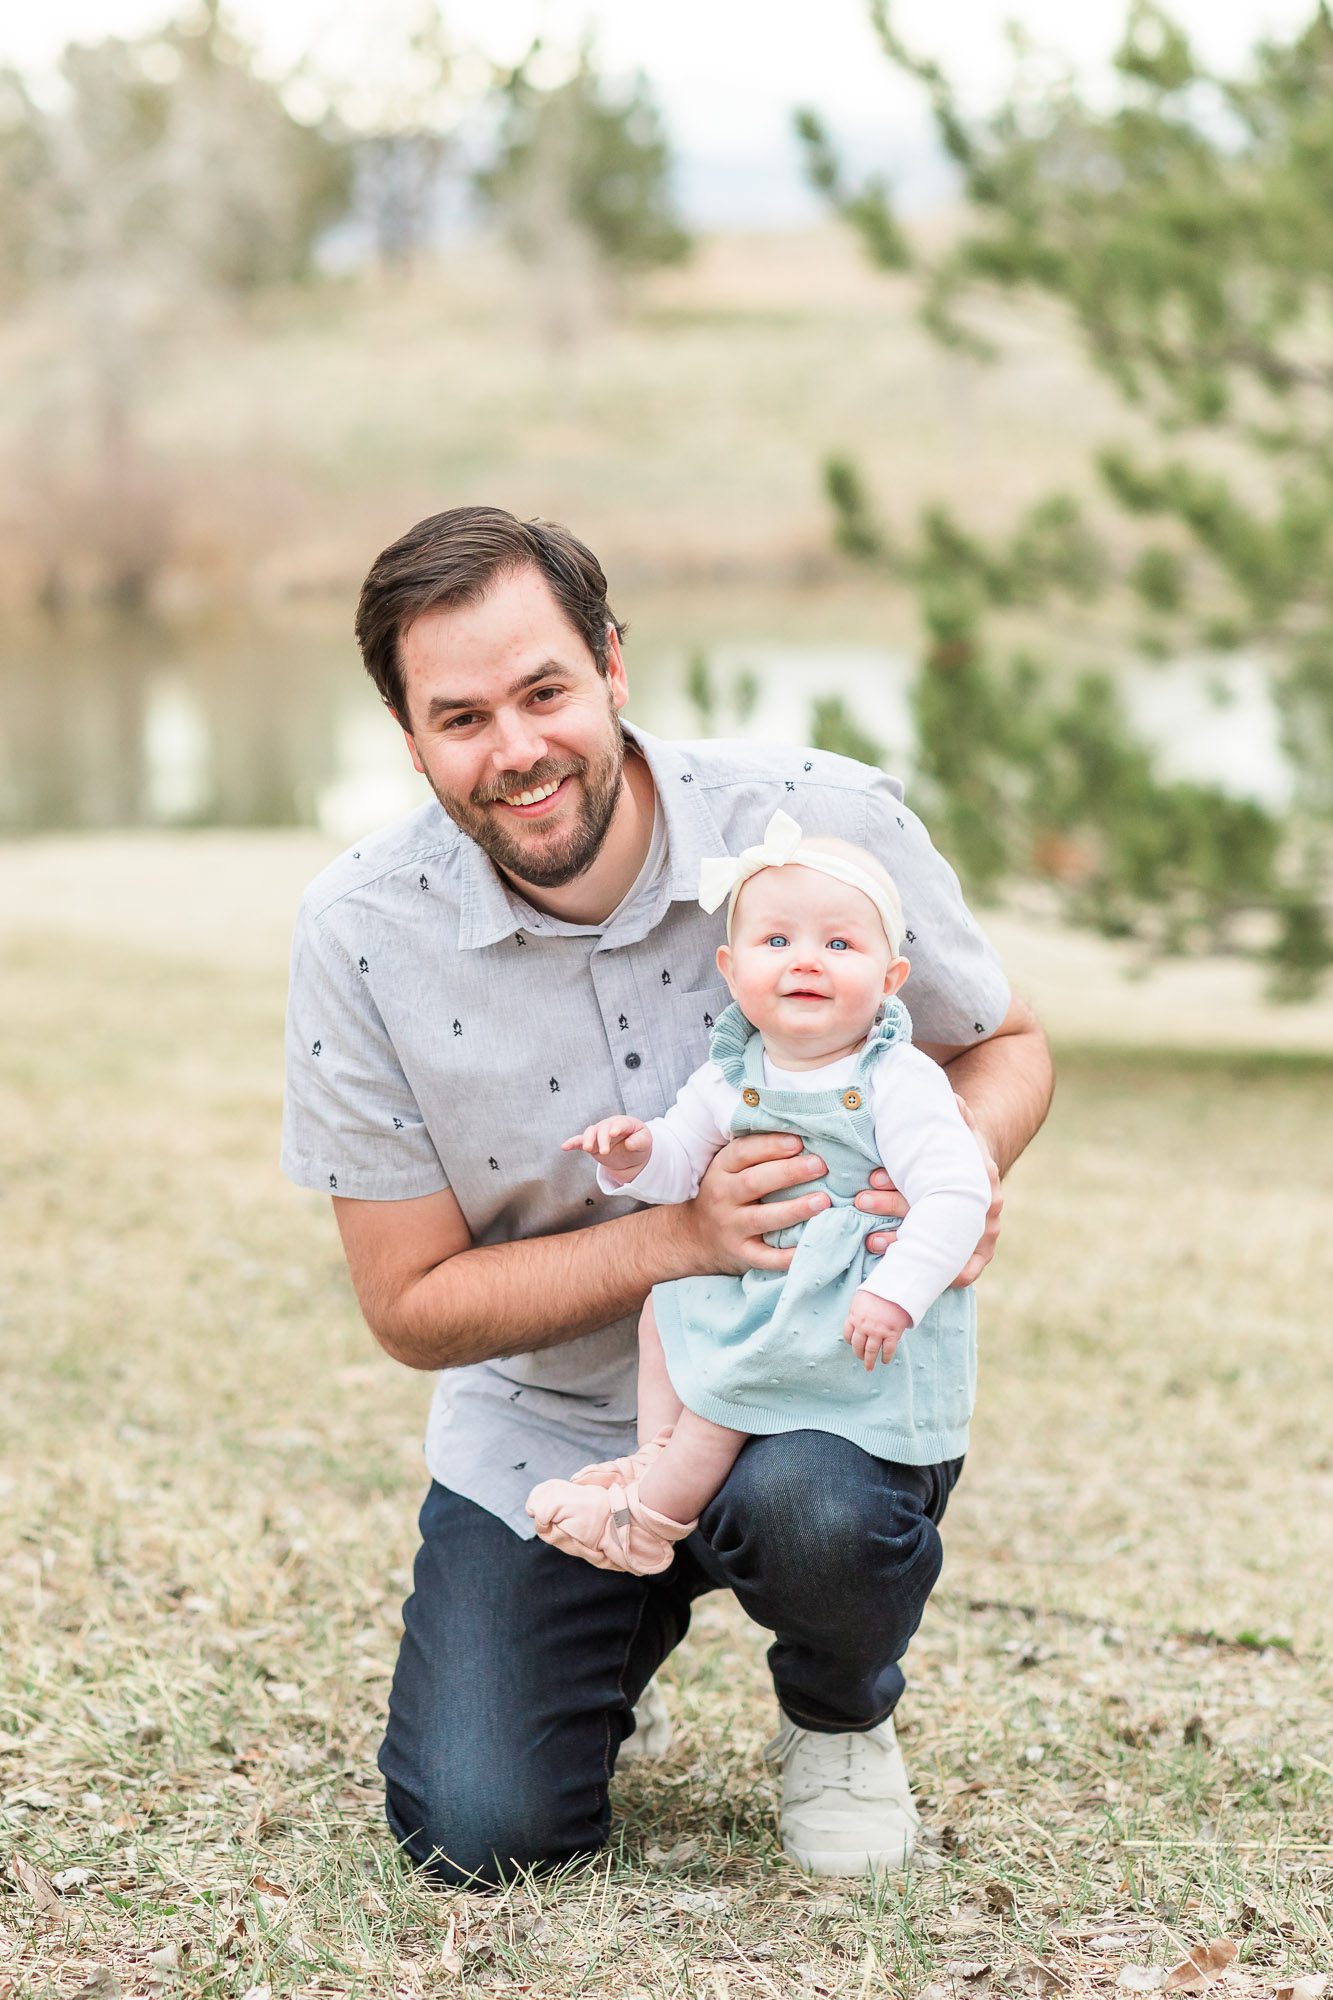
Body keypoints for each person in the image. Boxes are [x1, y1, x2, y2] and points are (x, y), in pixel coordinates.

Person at [281, 504, 1053, 1886]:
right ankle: (601, 1616)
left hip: (816, 1380)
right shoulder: (361, 939)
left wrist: (965, 1166)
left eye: (543, 692)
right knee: (484, 1836)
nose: (514, 750)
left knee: (819, 1511)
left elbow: (1003, 1042)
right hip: (553, 1426)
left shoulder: (822, 819)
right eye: (460, 718)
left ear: (613, 667)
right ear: (409, 739)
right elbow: (407, 1306)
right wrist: (676, 1237)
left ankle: (834, 1709)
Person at [527, 812, 991, 1582]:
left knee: (728, 1388)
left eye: (838, 945)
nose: (805, 961)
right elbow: (680, 1167)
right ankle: (654, 1457)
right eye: (776, 942)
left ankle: (641, 1524)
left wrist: (897, 1294)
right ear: (731, 968)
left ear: (888, 978)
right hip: (768, 1291)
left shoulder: (895, 1080)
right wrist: (636, 1153)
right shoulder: (729, 1076)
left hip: (848, 1303)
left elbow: (954, 1193)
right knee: (663, 1305)